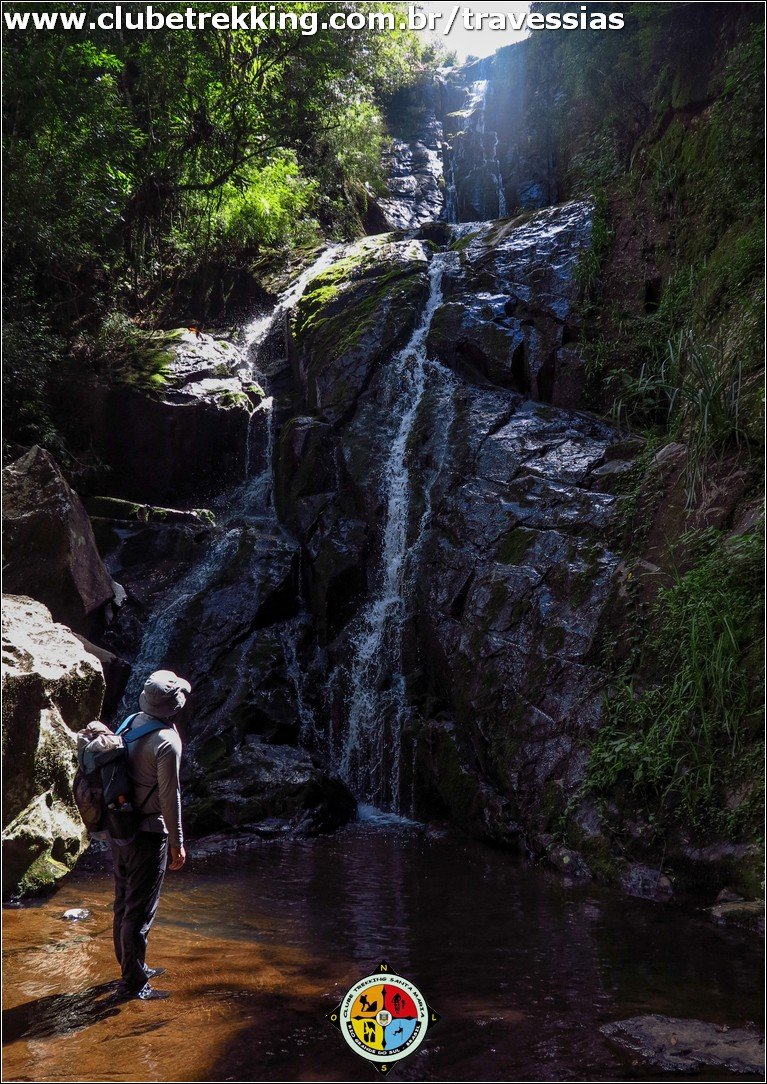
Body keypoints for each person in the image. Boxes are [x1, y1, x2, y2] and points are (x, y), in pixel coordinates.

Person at [111, 669, 190, 1001]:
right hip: (147, 833)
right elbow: (170, 796)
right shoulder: (167, 742)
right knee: (140, 910)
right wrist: (177, 842)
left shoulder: (130, 722)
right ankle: (134, 984)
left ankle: (131, 965)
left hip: (119, 828)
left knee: (123, 901)